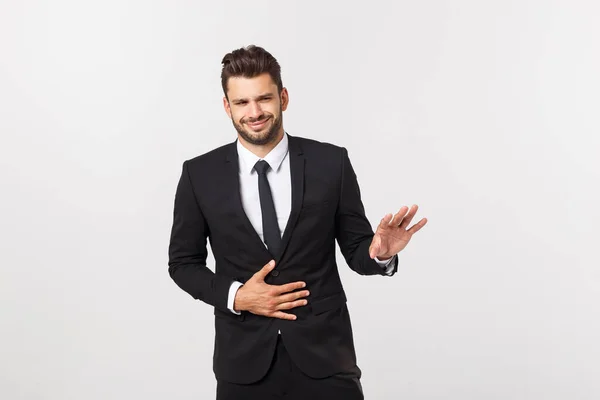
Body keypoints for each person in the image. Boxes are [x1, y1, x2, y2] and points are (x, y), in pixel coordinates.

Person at [168, 44, 428, 400]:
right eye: (242, 103)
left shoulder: (331, 163)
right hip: (243, 363)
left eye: (264, 98)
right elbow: (183, 264)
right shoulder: (199, 174)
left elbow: (356, 250)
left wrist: (379, 252)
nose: (255, 112)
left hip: (326, 359)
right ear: (227, 106)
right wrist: (238, 296)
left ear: (283, 98)